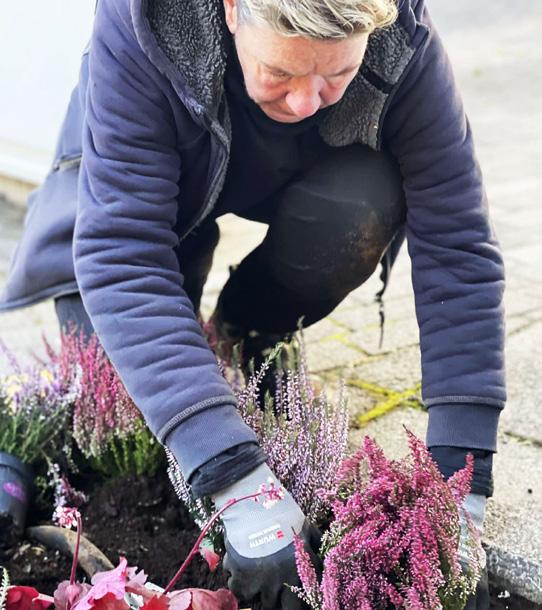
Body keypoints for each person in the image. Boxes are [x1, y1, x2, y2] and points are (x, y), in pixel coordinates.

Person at [0, 0, 504, 607]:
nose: (306, 102)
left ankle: (248, 328)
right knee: (117, 399)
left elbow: (457, 243)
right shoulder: (143, 26)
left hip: (290, 169)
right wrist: (234, 480)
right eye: (281, 72)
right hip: (138, 189)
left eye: (337, 74)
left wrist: (462, 477)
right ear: (233, 9)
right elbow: (123, 257)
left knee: (363, 204)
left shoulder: (401, 33)